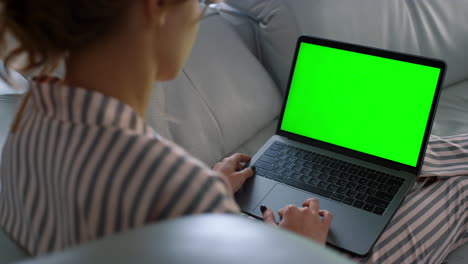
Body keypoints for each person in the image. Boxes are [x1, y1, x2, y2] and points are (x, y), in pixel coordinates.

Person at [0, 0, 465, 263]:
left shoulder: (31, 121)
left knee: (432, 165)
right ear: (153, 9)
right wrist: (296, 251)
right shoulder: (176, 190)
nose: (198, 16)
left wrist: (209, 190)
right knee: (457, 188)